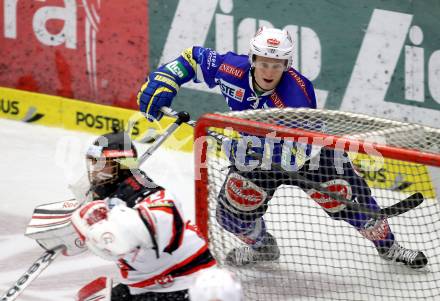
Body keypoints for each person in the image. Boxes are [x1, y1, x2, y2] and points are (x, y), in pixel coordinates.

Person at [137, 26, 428, 269]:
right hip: (253, 153)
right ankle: (263, 247)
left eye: (276, 64)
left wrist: (244, 147)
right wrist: (165, 78)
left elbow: (297, 151)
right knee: (232, 214)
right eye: (263, 62)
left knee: (348, 199)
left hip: (310, 156)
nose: (269, 70)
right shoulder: (231, 69)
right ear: (252, 59)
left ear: (286, 65)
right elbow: (193, 58)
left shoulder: (297, 93)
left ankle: (388, 246)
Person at [71, 130, 217, 301]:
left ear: (121, 164)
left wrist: (97, 230)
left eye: (101, 163)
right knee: (90, 296)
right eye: (93, 163)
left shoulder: (153, 197)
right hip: (154, 281)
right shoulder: (110, 193)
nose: (95, 170)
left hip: (186, 282)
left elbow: (118, 246)